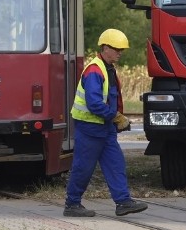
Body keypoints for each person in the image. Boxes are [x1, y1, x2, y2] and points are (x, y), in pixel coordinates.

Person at [63, 29, 148, 217]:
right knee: (83, 168)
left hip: (105, 128)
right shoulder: (95, 70)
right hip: (90, 128)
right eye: (116, 49)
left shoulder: (107, 68)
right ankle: (72, 204)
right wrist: (116, 117)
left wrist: (113, 119)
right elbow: (94, 104)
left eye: (121, 50)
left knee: (115, 164)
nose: (120, 53)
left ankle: (123, 202)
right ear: (105, 47)